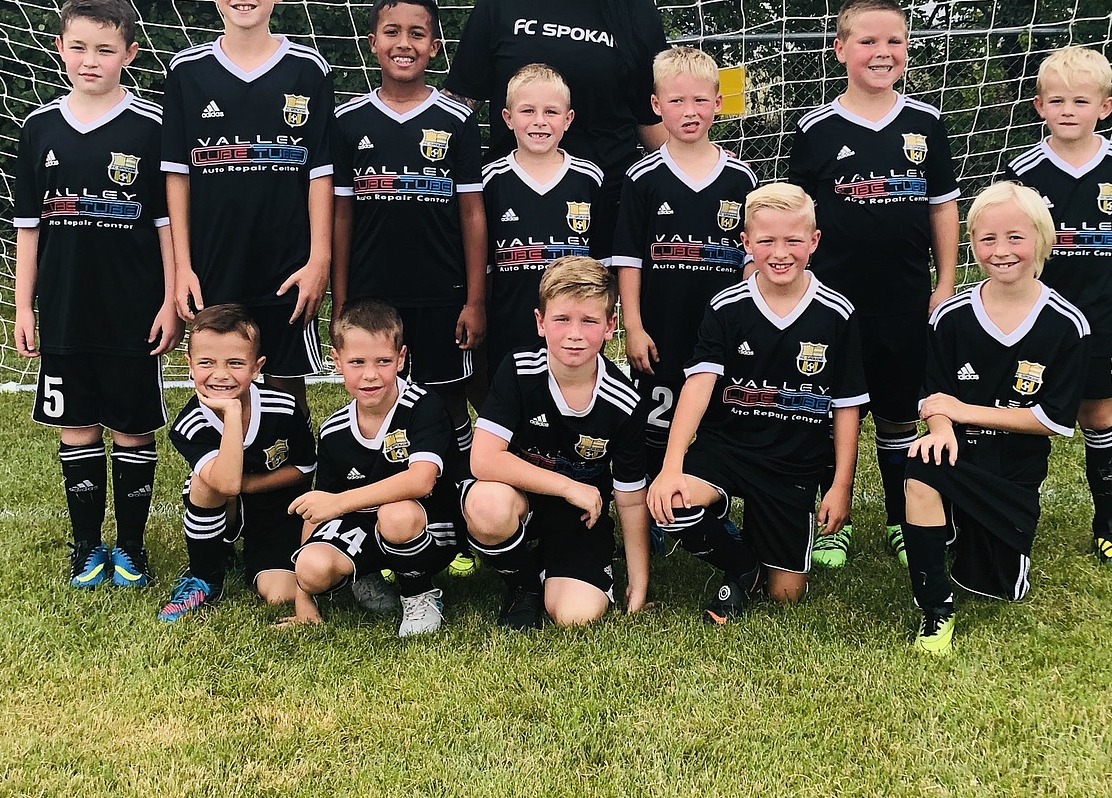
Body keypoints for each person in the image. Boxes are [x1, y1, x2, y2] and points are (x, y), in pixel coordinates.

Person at [12, 0, 180, 589]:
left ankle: (130, 547)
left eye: (105, 49)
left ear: (129, 54)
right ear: (59, 49)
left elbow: (166, 224)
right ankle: (86, 547)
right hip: (63, 306)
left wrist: (168, 300)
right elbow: (27, 229)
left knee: (132, 426)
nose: (91, 59)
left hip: (134, 307)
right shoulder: (37, 129)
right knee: (77, 423)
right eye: (79, 46)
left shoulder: (152, 127)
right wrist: (23, 307)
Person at [788, 0, 959, 568]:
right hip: (833, 300)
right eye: (868, 41)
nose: (882, 52)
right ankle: (831, 521)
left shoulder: (926, 123)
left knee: (896, 410)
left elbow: (941, 206)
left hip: (903, 297)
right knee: (828, 405)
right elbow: (798, 213)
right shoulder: (813, 128)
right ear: (840, 51)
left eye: (895, 41)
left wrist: (945, 280)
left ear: (908, 50)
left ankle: (897, 514)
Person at [648, 184, 865, 623]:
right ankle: (741, 564)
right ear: (746, 244)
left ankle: (761, 552)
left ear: (814, 242)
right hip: (727, 449)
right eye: (766, 241)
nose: (780, 253)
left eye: (793, 241)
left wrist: (841, 486)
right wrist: (671, 466)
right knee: (674, 506)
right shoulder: (727, 305)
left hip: (793, 463)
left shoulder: (837, 313)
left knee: (785, 595)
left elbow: (846, 406)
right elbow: (699, 384)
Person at [444, 0, 669, 251]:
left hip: (602, 208)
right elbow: (460, 104)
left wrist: (699, 159)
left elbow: (649, 119)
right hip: (511, 207)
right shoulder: (504, 1)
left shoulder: (637, 14)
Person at [904, 182, 1090, 653]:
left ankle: (968, 533)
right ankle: (935, 607)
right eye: (987, 239)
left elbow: (1051, 420)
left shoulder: (1067, 324)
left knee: (994, 586)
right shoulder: (950, 315)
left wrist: (961, 411)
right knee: (919, 472)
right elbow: (933, 394)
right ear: (971, 244)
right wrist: (941, 429)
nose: (1001, 251)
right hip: (960, 455)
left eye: (1015, 237)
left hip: (1013, 473)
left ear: (1042, 241)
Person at [161, 0, 334, 415]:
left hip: (287, 263)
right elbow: (177, 174)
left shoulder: (308, 69)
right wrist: (182, 268)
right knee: (222, 380)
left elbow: (320, 171)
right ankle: (223, 490)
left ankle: (286, 489)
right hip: (215, 260)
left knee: (285, 387)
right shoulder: (187, 71)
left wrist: (318, 258)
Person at [1001, 46, 1112, 567]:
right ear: (1040, 106)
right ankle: (1009, 513)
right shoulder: (1024, 168)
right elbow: (1007, 244)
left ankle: (1110, 524)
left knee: (1099, 413)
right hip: (1036, 320)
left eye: (1081, 101)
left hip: (1101, 317)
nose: (1069, 110)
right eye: (1058, 100)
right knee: (1022, 411)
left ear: (1105, 107)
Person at [331, 0, 486, 490]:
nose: (404, 43)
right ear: (372, 41)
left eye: (417, 34)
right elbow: (341, 214)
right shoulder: (348, 120)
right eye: (392, 32)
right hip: (373, 292)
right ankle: (383, 501)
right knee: (380, 398)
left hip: (443, 293)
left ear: (435, 45)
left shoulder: (457, 119)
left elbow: (471, 213)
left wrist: (476, 299)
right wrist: (340, 298)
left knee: (446, 399)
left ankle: (457, 499)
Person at [463, 257, 650, 630]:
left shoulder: (624, 402)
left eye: (589, 321)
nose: (574, 334)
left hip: (578, 516)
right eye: (562, 319)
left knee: (575, 616)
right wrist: (568, 486)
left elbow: (630, 497)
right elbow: (483, 460)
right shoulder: (518, 370)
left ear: (610, 326)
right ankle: (522, 584)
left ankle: (560, 563)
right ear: (540, 322)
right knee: (486, 505)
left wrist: (640, 580)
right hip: (520, 499)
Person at [614, 46, 757, 477]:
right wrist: (634, 329)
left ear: (718, 103)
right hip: (661, 330)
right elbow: (629, 261)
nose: (689, 112)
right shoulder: (642, 178)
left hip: (723, 332)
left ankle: (710, 499)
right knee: (655, 424)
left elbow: (750, 257)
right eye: (676, 101)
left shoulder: (741, 177)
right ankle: (657, 507)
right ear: (657, 107)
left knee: (721, 419)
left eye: (700, 100)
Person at [287, 300, 465, 637]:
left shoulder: (423, 406)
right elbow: (320, 506)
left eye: (383, 361)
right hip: (368, 527)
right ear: (336, 362)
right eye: (357, 362)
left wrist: (341, 502)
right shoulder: (334, 430)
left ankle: (419, 594)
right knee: (310, 568)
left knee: (397, 514)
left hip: (430, 526)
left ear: (400, 359)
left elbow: (422, 480)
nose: (370, 374)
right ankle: (363, 578)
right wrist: (302, 599)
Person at [158, 304, 317, 621]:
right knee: (204, 482)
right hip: (224, 505)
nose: (220, 374)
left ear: (257, 367)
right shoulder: (190, 424)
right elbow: (226, 484)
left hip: (276, 513)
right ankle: (205, 576)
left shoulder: (283, 408)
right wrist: (231, 415)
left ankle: (252, 558)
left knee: (280, 595)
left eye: (235, 363)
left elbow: (306, 467)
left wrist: (251, 486)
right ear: (189, 365)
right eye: (206, 363)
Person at [481, 62, 604, 376]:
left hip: (573, 333)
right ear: (507, 118)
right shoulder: (490, 180)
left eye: (551, 112)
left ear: (568, 119)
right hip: (510, 324)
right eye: (527, 111)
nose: (539, 122)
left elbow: (602, 262)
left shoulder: (589, 178)